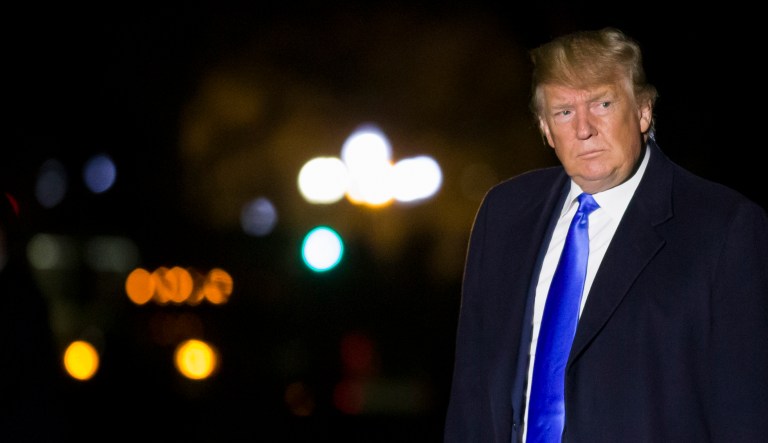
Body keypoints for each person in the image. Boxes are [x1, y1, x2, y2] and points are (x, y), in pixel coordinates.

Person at [443, 27, 768, 442]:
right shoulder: (504, 215)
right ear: (544, 127)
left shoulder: (723, 227)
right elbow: (471, 396)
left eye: (602, 103)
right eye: (563, 112)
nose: (584, 129)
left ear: (644, 110)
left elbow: (745, 413)